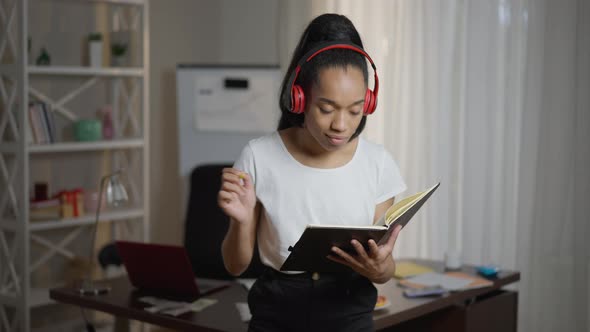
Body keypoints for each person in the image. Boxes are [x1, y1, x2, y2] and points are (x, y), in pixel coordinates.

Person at [218, 13, 407, 332]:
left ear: (368, 103)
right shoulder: (258, 156)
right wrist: (241, 220)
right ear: (299, 97)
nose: (341, 125)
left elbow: (385, 268)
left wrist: (379, 267)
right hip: (276, 314)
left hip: (350, 312)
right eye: (327, 108)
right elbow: (235, 265)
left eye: (355, 110)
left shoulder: (378, 163)